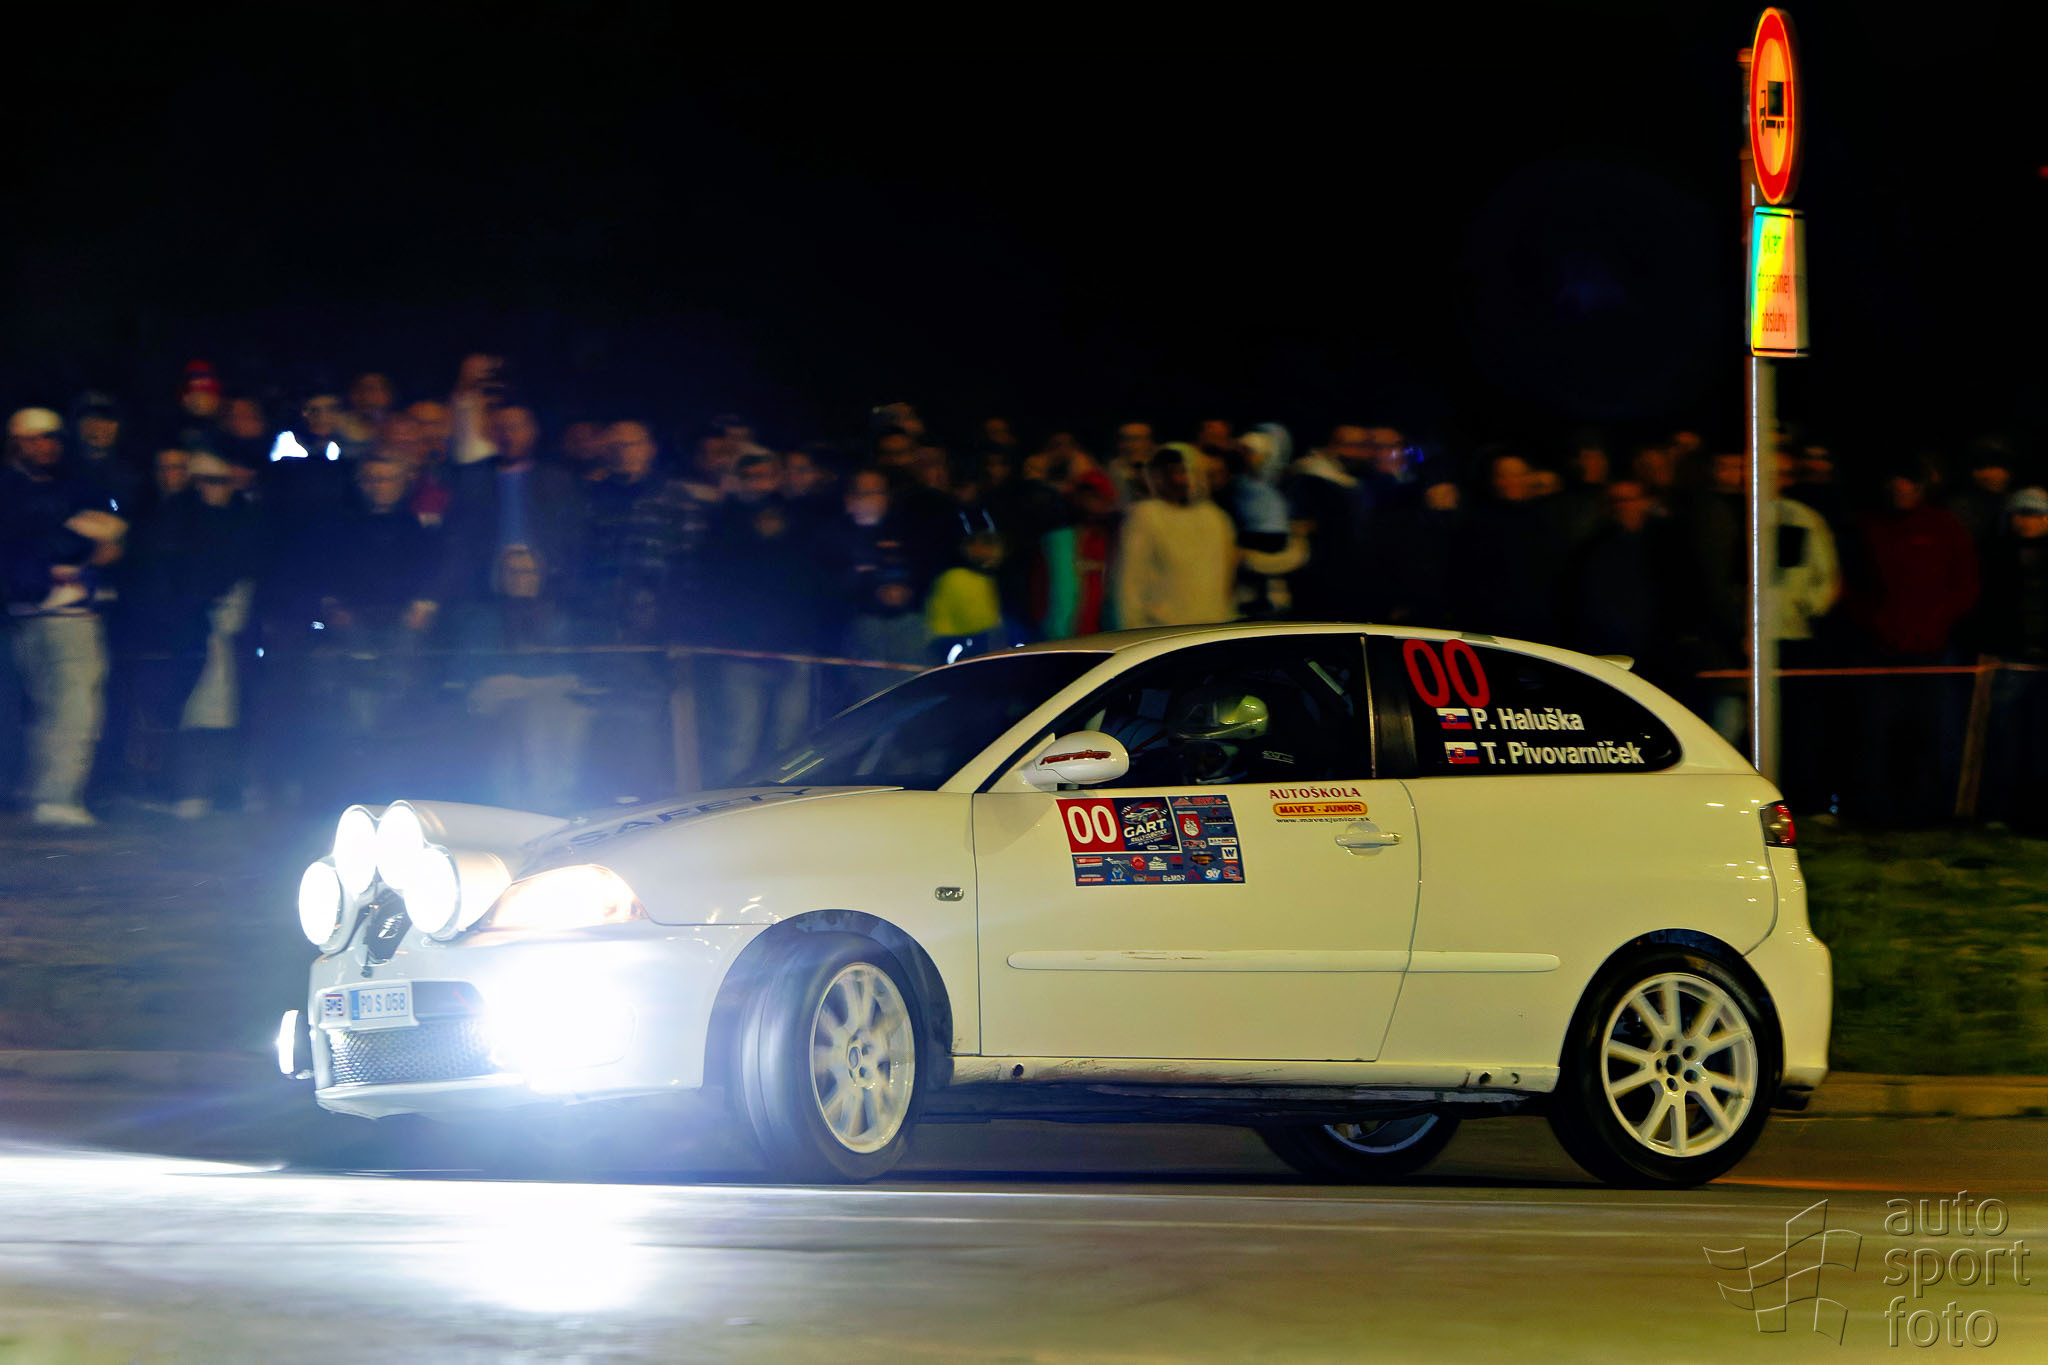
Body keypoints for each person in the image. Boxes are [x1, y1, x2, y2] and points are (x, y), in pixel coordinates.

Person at [1, 409, 126, 825]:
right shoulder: (14, 490)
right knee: (68, 706)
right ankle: (55, 796)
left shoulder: (72, 485)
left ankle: (46, 794)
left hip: (63, 611)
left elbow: (111, 538)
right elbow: (58, 541)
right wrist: (77, 539)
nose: (46, 446)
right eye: (35, 438)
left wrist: (83, 540)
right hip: (35, 613)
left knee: (60, 705)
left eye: (51, 438)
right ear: (17, 442)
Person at [1980, 488, 2048, 833]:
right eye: (2021, 514)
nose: (2027, 521)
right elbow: (1987, 606)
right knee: (2004, 737)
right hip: (2009, 658)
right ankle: (1999, 811)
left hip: (2042, 661)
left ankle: (2036, 815)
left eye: (2035, 514)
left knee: (2042, 740)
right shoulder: (1996, 555)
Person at [1116, 444, 1237, 628]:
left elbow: (1227, 576)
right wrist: (1132, 627)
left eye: (1185, 472)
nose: (1180, 479)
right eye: (1172, 472)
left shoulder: (1215, 518)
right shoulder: (1146, 516)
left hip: (1213, 627)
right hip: (1165, 631)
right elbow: (1130, 581)